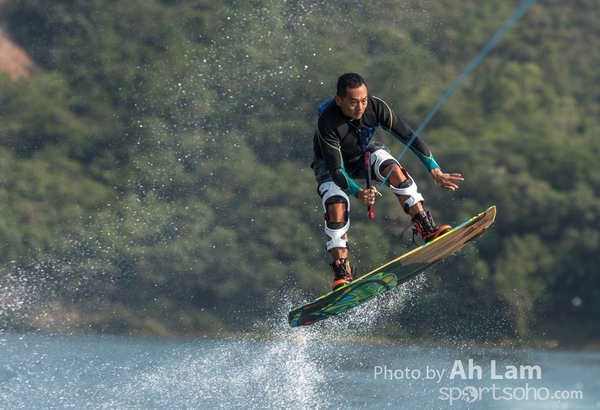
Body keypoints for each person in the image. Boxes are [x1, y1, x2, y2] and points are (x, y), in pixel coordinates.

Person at [312, 73, 464, 290]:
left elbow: (409, 136)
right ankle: (342, 272)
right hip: (330, 166)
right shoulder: (327, 122)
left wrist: (435, 169)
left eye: (363, 100)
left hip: (363, 154)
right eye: (354, 102)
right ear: (339, 100)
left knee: (394, 168)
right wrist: (358, 193)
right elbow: (337, 170)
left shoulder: (376, 107)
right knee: (336, 204)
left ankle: (426, 227)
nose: (360, 107)